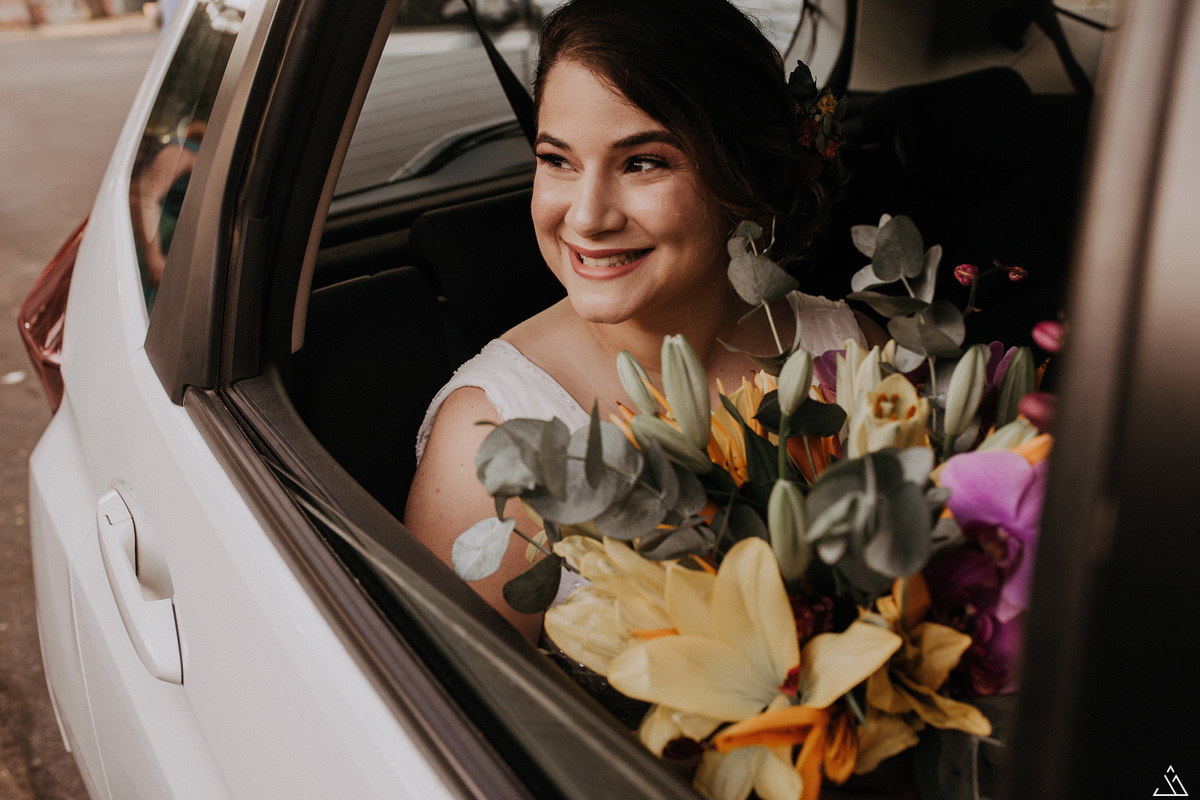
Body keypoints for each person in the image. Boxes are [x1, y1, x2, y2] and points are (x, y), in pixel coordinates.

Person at [405, 0, 879, 642]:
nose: (587, 216)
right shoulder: (488, 442)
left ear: (741, 176)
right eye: (558, 160)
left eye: (642, 161)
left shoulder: (855, 354)